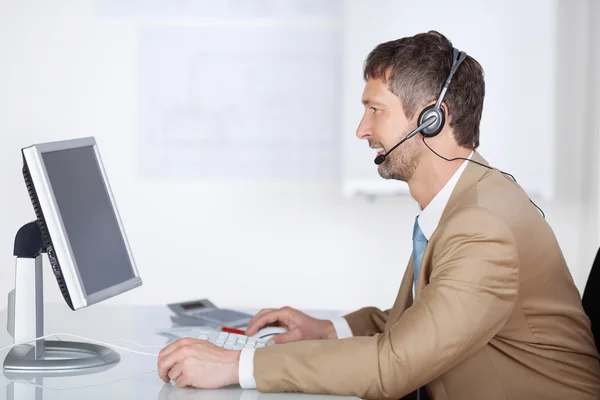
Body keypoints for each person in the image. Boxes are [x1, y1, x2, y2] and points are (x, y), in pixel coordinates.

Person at [157, 31, 600, 399]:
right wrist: (328, 328)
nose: (361, 130)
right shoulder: (466, 200)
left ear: (432, 119)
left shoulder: (485, 228)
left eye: (376, 110)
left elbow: (394, 364)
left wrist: (237, 364)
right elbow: (420, 322)